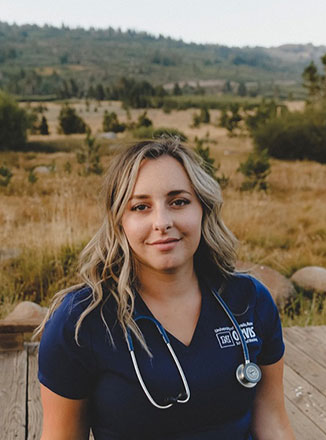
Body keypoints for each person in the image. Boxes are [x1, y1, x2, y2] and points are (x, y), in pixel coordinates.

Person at [37, 138, 295, 440]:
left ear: (203, 208)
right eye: (141, 206)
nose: (162, 222)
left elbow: (274, 422)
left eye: (179, 201)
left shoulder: (250, 300)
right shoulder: (81, 322)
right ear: (120, 221)